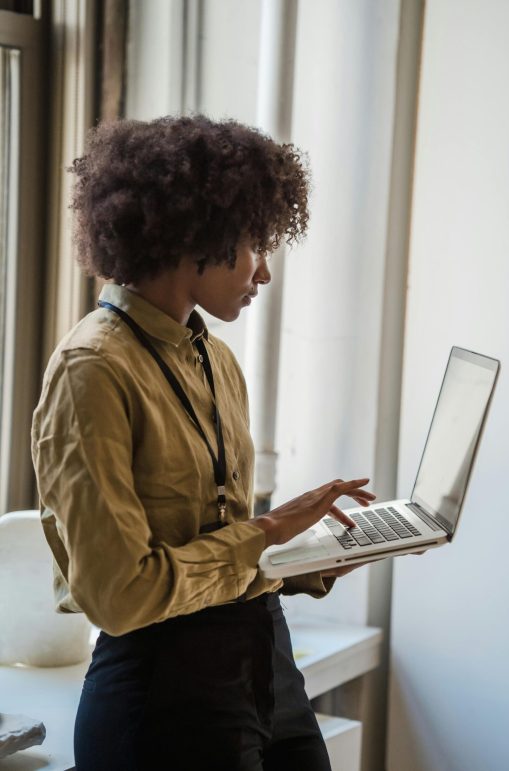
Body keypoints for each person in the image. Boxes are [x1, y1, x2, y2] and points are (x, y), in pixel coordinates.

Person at [31, 115, 375, 771]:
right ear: (198, 238)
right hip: (163, 698)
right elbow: (122, 595)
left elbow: (215, 543)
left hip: (264, 668)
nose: (264, 273)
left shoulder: (215, 359)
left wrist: (304, 562)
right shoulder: (93, 371)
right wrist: (269, 532)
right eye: (254, 244)